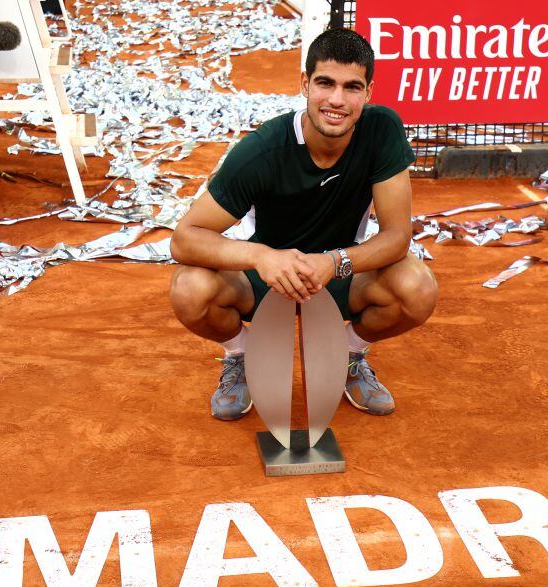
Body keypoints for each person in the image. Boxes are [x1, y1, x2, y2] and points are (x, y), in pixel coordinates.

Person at [169, 28, 437, 421]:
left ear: (369, 92)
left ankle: (347, 354)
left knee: (417, 287)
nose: (337, 100)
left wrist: (334, 262)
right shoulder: (263, 149)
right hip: (266, 280)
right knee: (189, 289)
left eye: (352, 87)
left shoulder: (381, 131)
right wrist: (261, 257)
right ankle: (241, 356)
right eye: (325, 83)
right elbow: (184, 239)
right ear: (304, 83)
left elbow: (398, 236)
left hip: (340, 274)